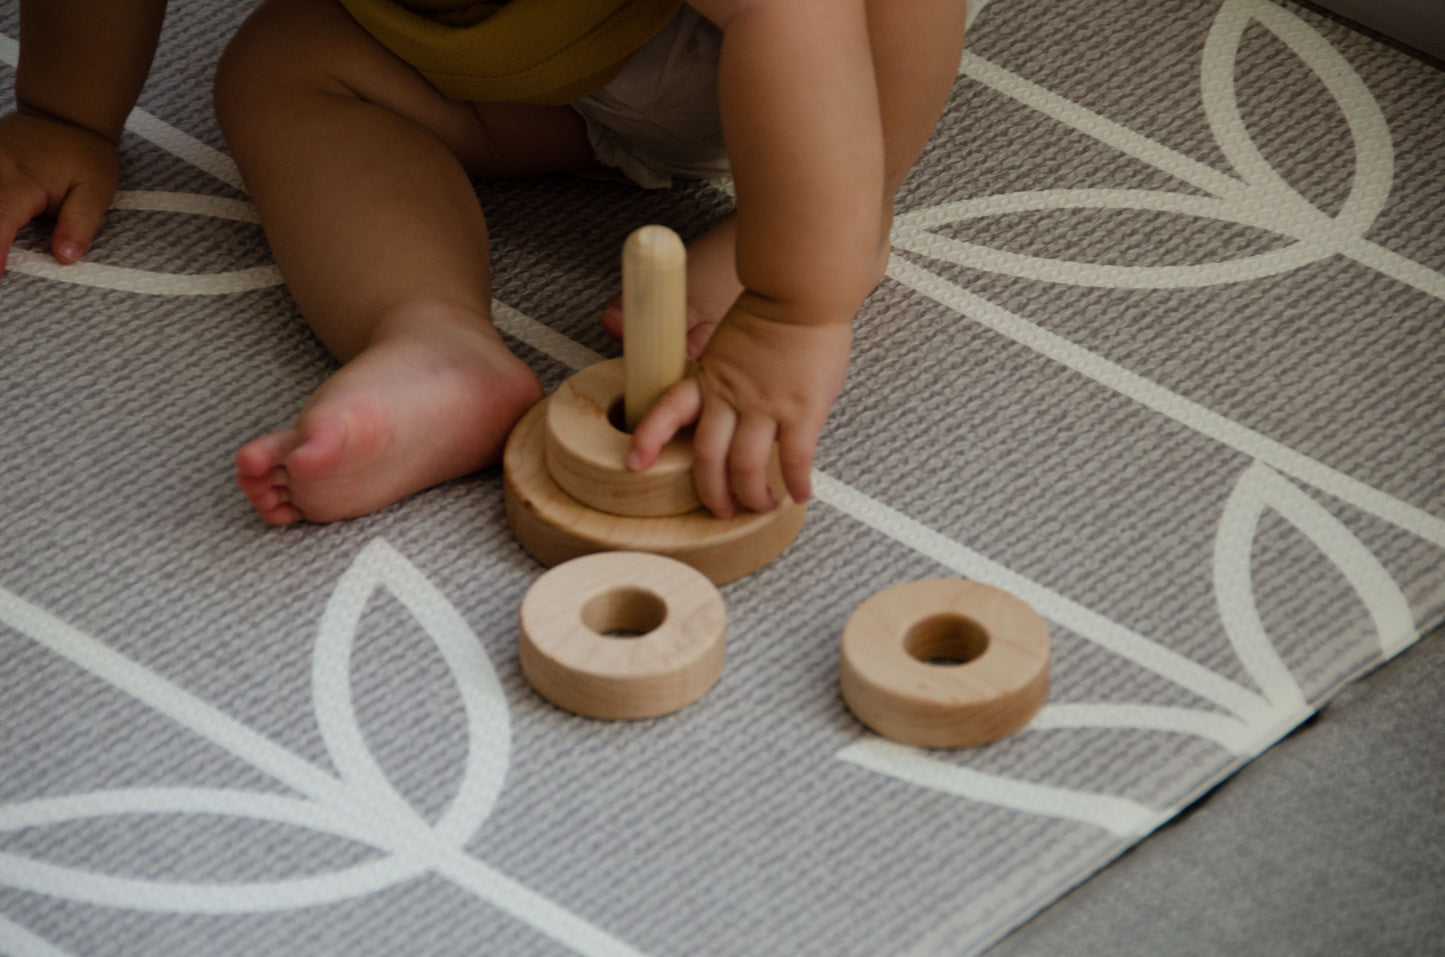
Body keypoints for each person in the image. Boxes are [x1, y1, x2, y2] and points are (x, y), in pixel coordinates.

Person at [0, 0, 966, 524]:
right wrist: (64, 114)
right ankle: (432, 338)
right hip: (521, 64)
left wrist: (790, 306)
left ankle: (851, 210)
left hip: (801, 49)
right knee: (280, 67)